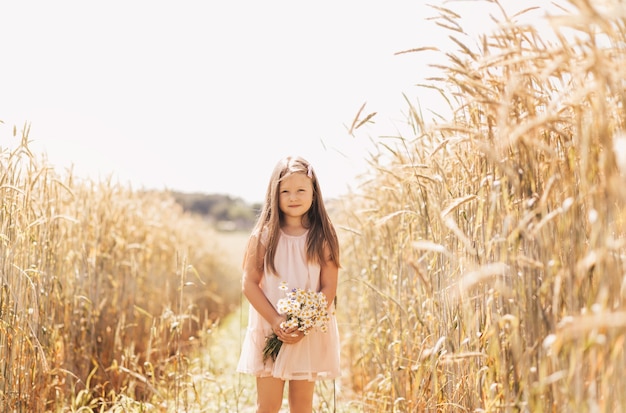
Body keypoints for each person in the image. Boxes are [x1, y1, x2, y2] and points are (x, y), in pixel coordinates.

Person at [236, 155, 341, 413]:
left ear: (314, 193)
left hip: (308, 331)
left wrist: (304, 324)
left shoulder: (323, 236)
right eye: (285, 191)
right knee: (267, 406)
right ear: (275, 193)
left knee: (302, 407)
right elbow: (249, 282)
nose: (293, 197)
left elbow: (329, 286)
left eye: (301, 190)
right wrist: (275, 321)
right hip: (271, 328)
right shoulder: (264, 236)